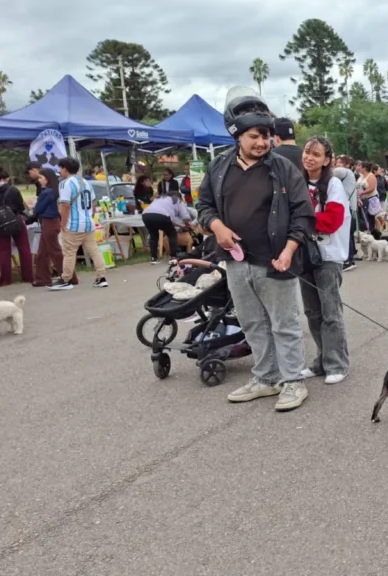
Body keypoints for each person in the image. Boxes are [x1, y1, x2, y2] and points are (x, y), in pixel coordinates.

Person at [196, 93, 315, 412]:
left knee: (284, 323)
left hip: (276, 261)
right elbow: (204, 205)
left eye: (266, 135)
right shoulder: (219, 166)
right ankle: (266, 377)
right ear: (237, 135)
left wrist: (289, 250)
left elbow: (304, 214)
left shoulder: (283, 168)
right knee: (251, 323)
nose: (263, 142)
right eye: (254, 136)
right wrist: (217, 226)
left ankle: (293, 381)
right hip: (236, 261)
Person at [297, 136, 350, 385]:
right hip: (304, 253)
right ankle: (321, 360)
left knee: (330, 312)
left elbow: (332, 221)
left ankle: (337, 363)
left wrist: (301, 219)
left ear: (327, 160)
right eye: (307, 152)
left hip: (328, 255)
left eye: (316, 154)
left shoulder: (334, 185)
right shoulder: (298, 181)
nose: (309, 157)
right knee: (312, 311)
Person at [50, 158, 107, 291]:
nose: (60, 171)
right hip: (88, 224)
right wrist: (90, 217)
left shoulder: (65, 184)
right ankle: (101, 277)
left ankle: (66, 279)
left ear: (65, 168)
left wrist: (63, 223)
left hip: (73, 224)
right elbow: (93, 203)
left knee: (69, 252)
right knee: (94, 251)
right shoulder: (86, 182)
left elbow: (65, 205)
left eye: (60, 168)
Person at [0, 167, 34, 286]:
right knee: (24, 248)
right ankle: (28, 276)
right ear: (6, 178)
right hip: (16, 220)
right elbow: (21, 207)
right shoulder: (13, 190)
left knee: (3, 251)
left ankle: (5, 280)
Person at [27, 169, 66, 287]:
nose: (39, 180)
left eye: (41, 178)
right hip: (49, 222)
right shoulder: (52, 191)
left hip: (49, 222)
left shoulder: (47, 192)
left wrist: (34, 211)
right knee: (42, 253)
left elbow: (38, 209)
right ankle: (42, 278)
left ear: (47, 179)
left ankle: (67, 276)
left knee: (55, 251)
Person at [142, 189, 192, 263]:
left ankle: (153, 258)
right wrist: (187, 225)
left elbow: (169, 220)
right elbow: (185, 216)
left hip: (146, 215)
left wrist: (181, 226)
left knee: (154, 236)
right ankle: (173, 257)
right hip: (162, 216)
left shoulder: (159, 199)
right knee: (172, 234)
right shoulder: (177, 199)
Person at [333, 156, 359, 271]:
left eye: (340, 162)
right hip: (350, 207)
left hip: (346, 207)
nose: (337, 164)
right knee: (348, 234)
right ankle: (350, 258)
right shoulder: (350, 174)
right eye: (337, 162)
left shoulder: (345, 172)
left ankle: (347, 260)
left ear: (348, 165)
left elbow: (331, 172)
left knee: (345, 234)